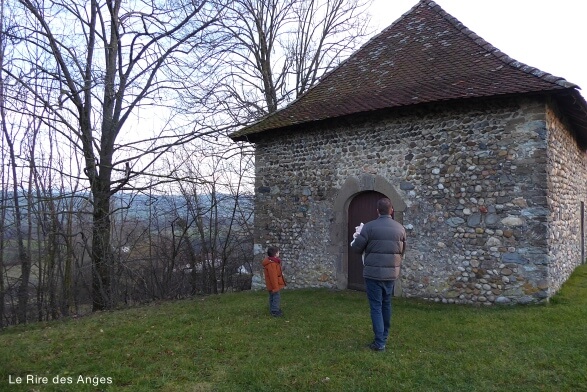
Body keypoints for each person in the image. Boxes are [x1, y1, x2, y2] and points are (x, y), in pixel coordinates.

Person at [350, 197, 406, 351]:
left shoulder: (369, 227)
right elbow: (402, 251)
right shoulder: (400, 229)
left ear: (377, 211)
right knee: (386, 303)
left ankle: (380, 342)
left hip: (373, 274)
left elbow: (356, 249)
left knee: (376, 306)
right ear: (391, 210)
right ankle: (384, 335)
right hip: (391, 273)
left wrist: (357, 237)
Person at [262, 246, 286, 317]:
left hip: (272, 284)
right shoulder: (272, 264)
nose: (279, 253)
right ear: (275, 254)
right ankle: (274, 311)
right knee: (276, 297)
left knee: (272, 297)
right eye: (278, 252)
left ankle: (273, 309)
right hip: (274, 285)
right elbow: (273, 277)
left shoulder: (273, 262)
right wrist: (275, 287)